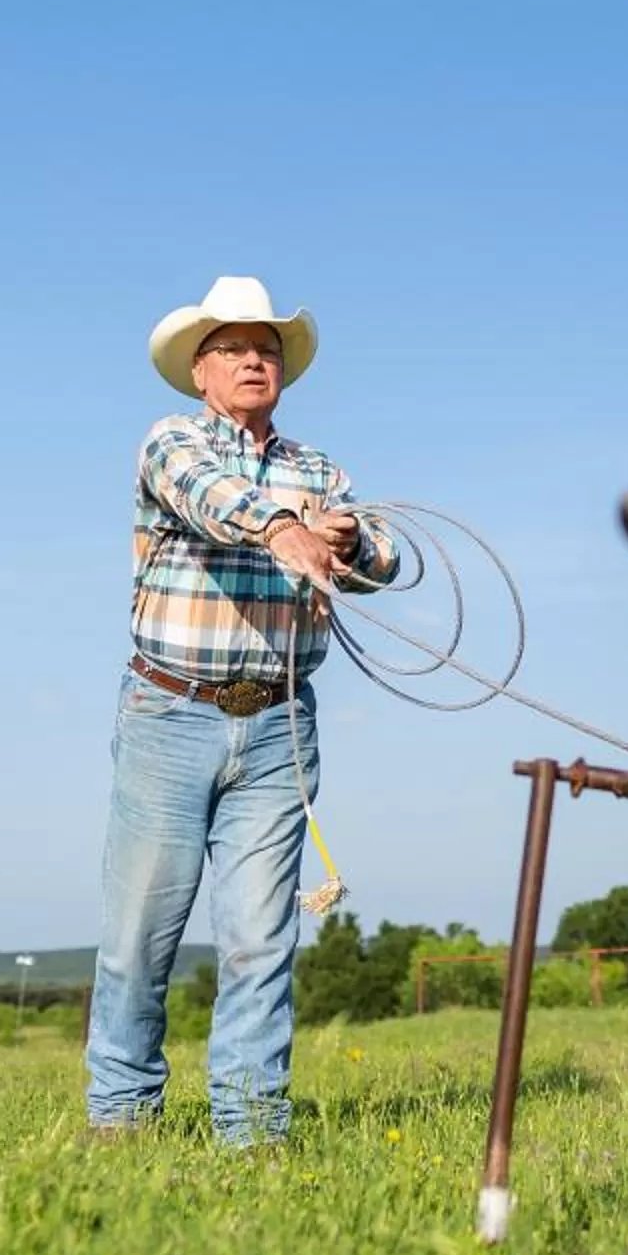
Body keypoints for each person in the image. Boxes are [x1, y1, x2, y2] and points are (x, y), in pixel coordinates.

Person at [84, 274, 400, 1145]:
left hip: (277, 728)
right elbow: (207, 495)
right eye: (233, 349)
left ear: (283, 371)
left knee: (262, 938)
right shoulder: (173, 442)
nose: (254, 361)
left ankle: (253, 1129)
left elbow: (384, 560)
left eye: (267, 350)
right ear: (201, 370)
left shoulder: (319, 470)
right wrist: (282, 527)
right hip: (170, 714)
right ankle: (122, 1119)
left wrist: (353, 541)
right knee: (140, 936)